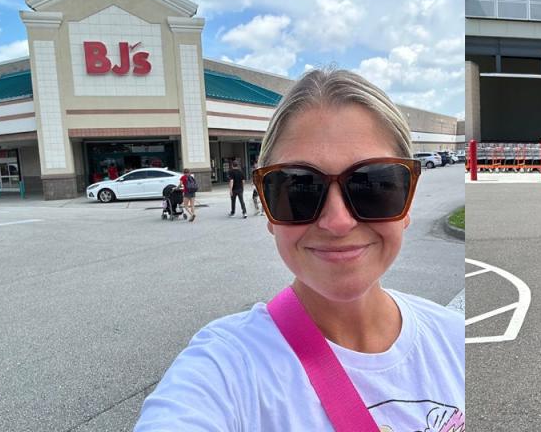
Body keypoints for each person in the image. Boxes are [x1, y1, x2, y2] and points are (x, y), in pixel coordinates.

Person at [135, 69, 465, 431]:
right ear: (268, 209)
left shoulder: (456, 339)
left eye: (373, 185)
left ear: (408, 199)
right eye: (298, 188)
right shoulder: (225, 366)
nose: (337, 222)